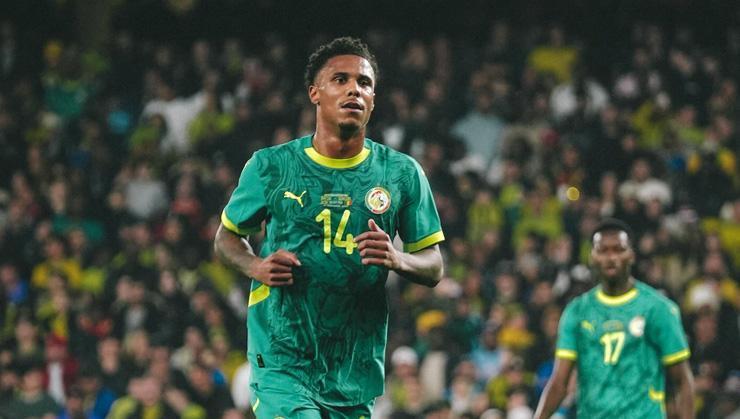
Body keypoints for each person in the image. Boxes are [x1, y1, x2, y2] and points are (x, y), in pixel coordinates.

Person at [214, 37, 444, 418]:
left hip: (353, 367)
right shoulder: (271, 167)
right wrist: (256, 265)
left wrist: (397, 258)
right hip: (282, 358)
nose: (355, 89)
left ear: (373, 99)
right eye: (340, 79)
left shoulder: (401, 174)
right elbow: (226, 237)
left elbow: (433, 265)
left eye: (364, 83)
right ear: (314, 93)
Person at [534, 218, 695, 418]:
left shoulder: (658, 309)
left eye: (619, 250)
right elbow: (559, 383)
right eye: (602, 250)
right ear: (592, 256)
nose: (611, 258)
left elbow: (682, 381)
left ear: (631, 255)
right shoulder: (577, 311)